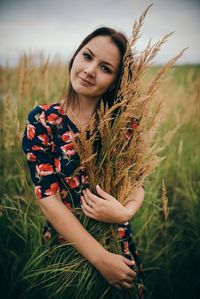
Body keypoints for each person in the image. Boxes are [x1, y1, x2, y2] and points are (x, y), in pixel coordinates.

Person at [22, 27, 145, 294]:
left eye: (105, 68)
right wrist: (101, 259)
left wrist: (126, 212)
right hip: (66, 246)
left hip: (117, 239)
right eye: (87, 56)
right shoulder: (42, 121)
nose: (90, 70)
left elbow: (136, 182)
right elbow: (48, 199)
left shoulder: (124, 124)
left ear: (115, 81)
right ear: (75, 56)